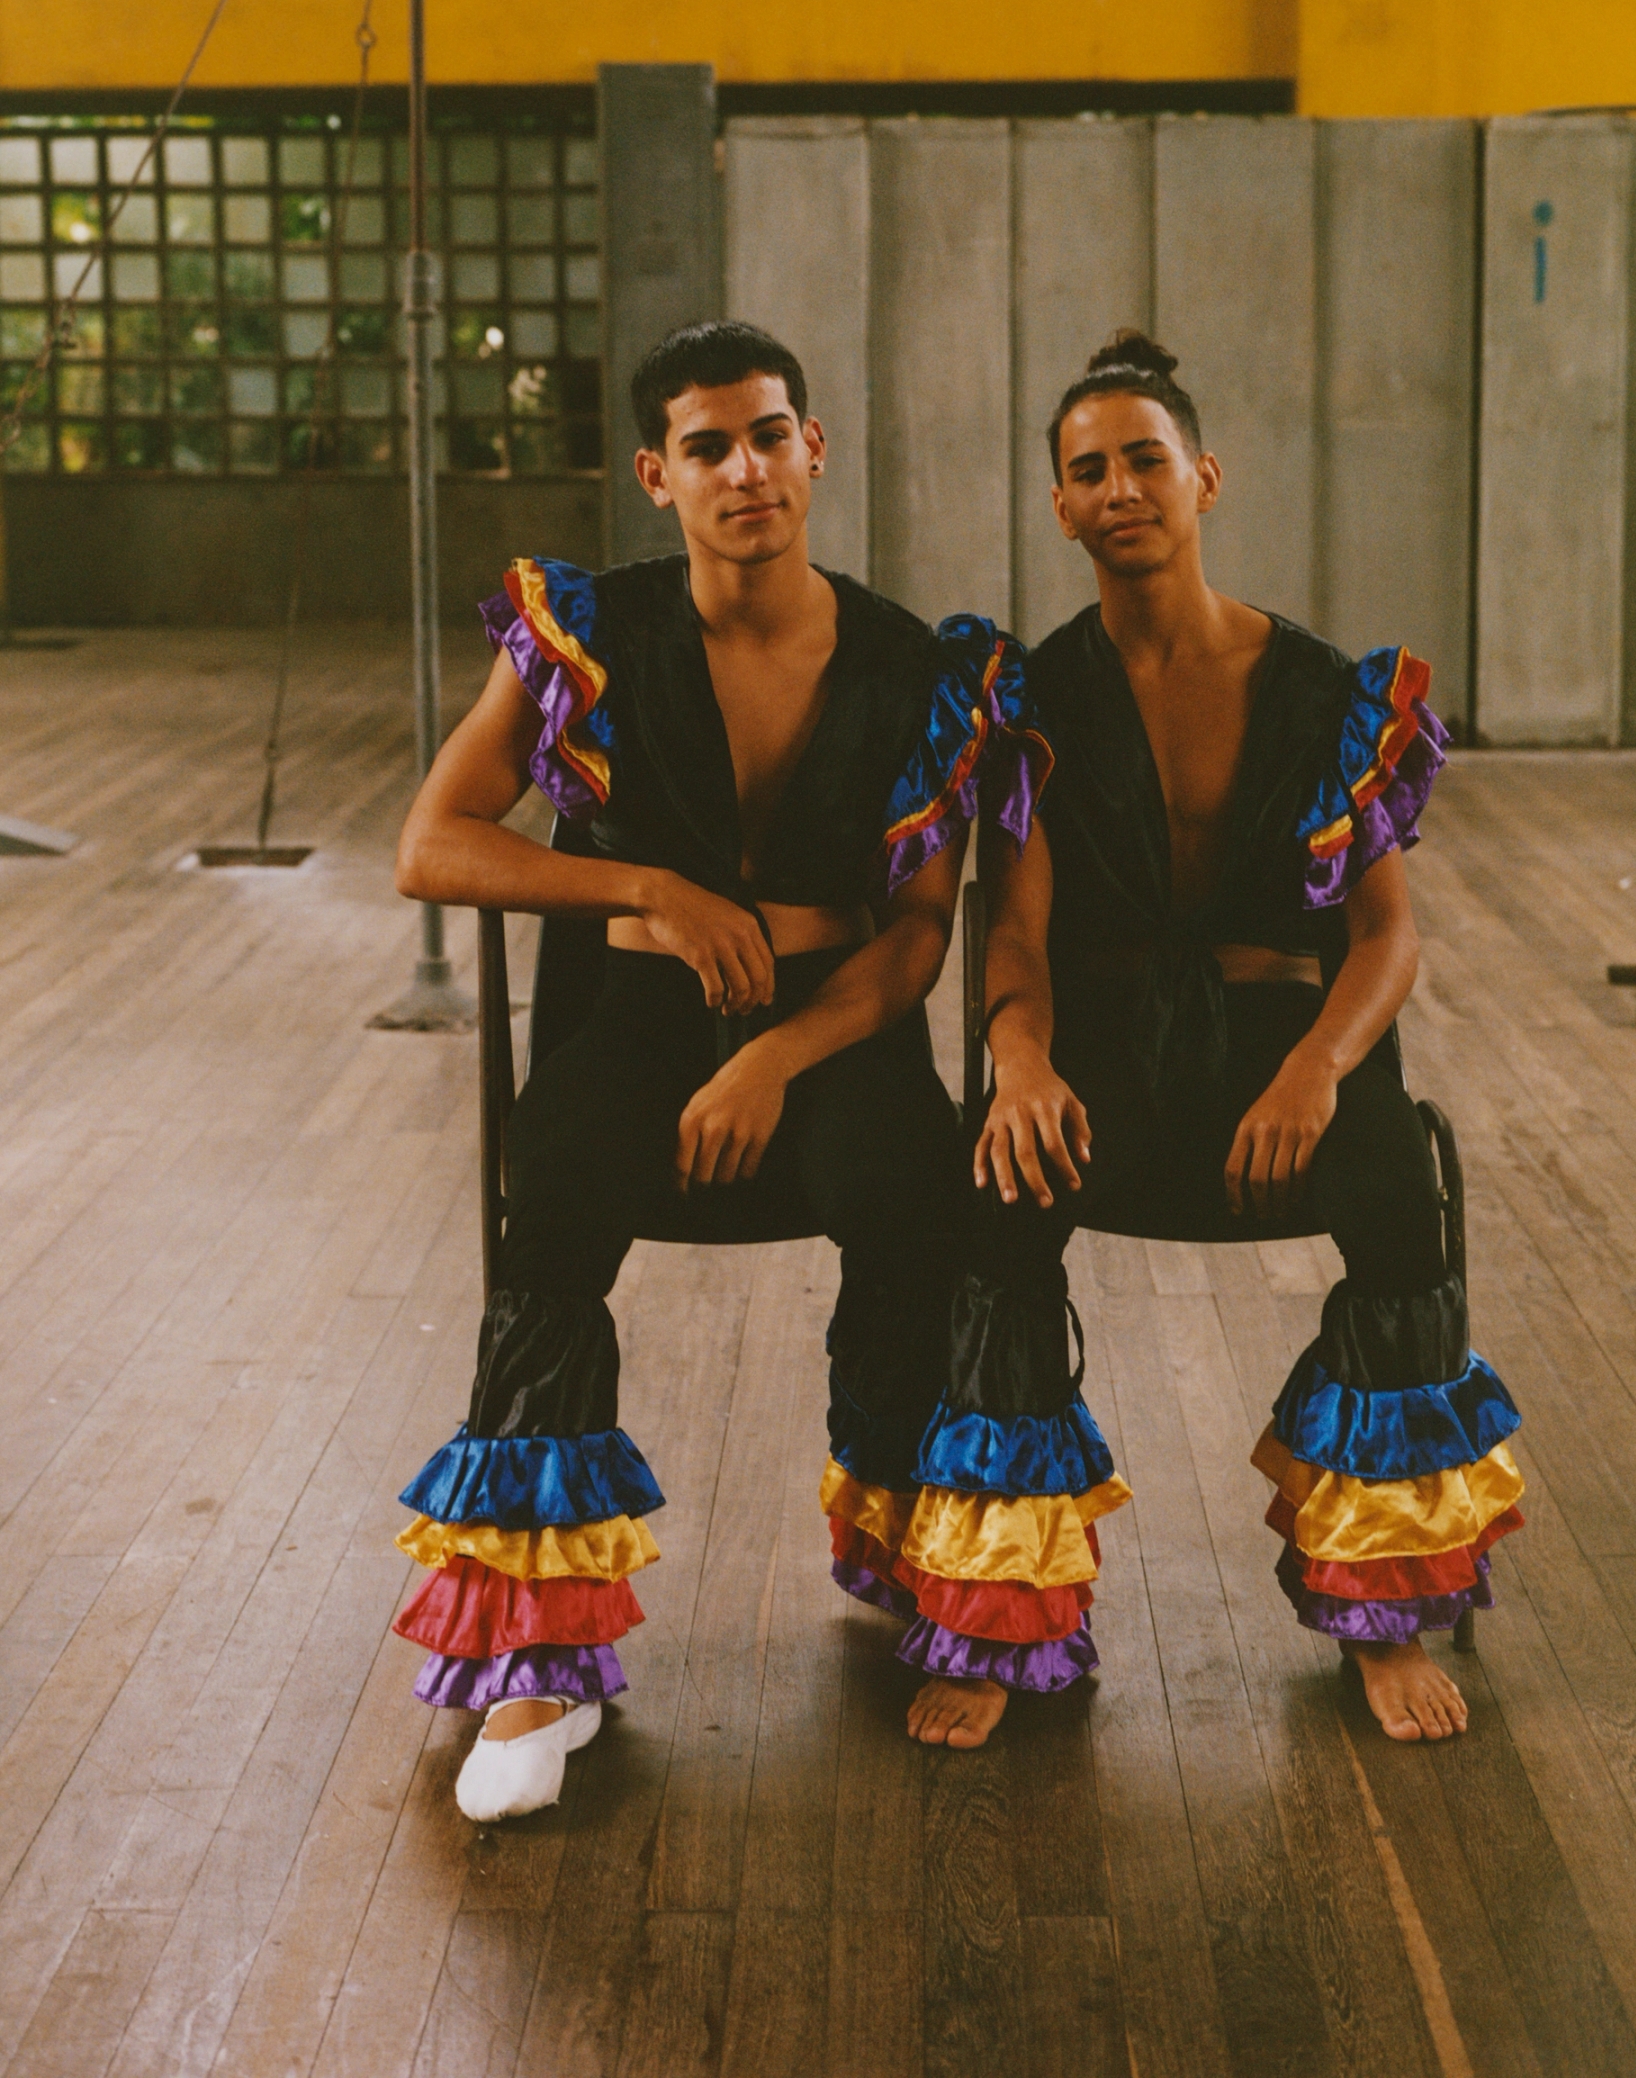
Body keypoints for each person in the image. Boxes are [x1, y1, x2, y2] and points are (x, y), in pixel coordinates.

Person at [389, 320, 1039, 1819]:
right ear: (657, 476)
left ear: (814, 447)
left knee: (916, 1200)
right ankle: (540, 1664)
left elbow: (921, 934)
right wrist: (649, 893)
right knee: (546, 1215)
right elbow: (431, 845)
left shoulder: (909, 661)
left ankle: (921, 1552)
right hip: (639, 1009)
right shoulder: (589, 632)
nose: (745, 468)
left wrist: (781, 1058)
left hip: (832, 1017)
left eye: (768, 434)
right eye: (707, 446)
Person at [924, 331, 1522, 1751]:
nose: (1121, 487)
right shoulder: (1037, 698)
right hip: (1110, 1041)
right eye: (1089, 471)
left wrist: (1317, 1066)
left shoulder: (1326, 689)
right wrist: (1020, 1060)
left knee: (1391, 1188)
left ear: (1205, 476)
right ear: (1060, 509)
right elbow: (1012, 928)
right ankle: (1005, 1618)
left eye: (1146, 459)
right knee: (1004, 1190)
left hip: (1285, 1037)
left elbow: (1384, 938)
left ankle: (1383, 1617)